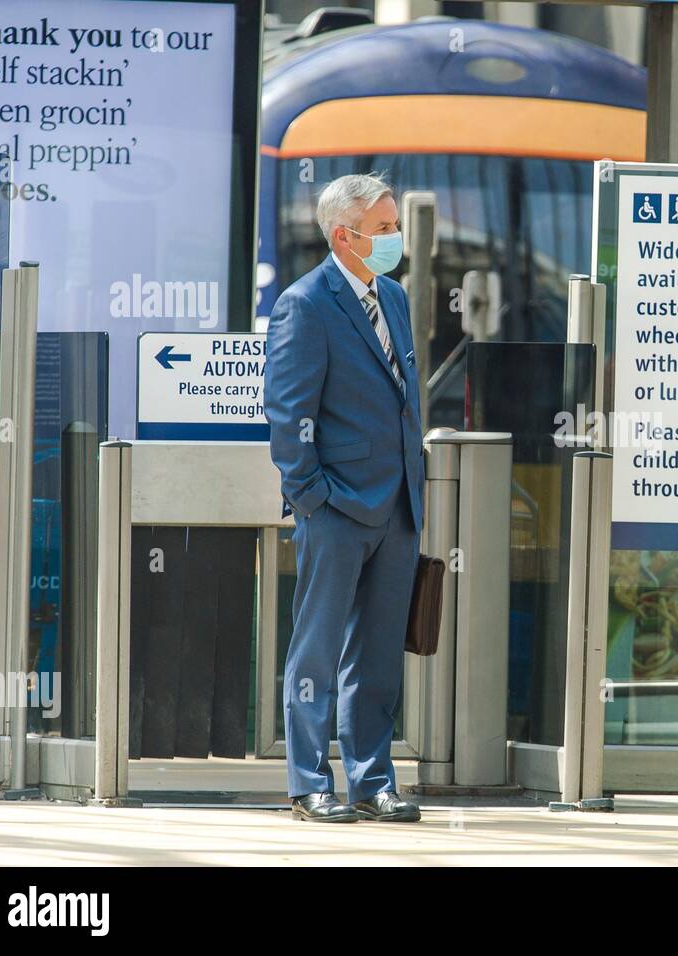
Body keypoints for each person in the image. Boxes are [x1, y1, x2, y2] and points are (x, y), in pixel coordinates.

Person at [263, 173, 425, 824]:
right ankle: (308, 782)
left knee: (378, 656)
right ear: (343, 235)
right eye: (384, 229)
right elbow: (288, 412)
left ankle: (372, 781)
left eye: (393, 226)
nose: (394, 239)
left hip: (398, 507)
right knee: (318, 650)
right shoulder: (305, 305)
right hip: (335, 509)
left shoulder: (396, 298)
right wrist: (312, 497)